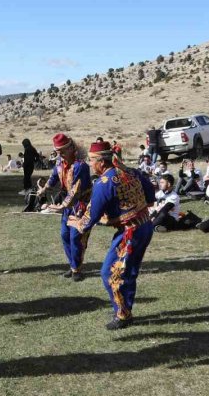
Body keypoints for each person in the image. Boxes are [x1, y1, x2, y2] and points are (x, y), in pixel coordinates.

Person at [76, 140, 154, 330]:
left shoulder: (104, 182)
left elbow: (90, 218)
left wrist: (77, 224)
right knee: (130, 270)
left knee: (110, 272)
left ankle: (123, 315)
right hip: (145, 226)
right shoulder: (130, 171)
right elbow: (151, 195)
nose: (90, 163)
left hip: (130, 232)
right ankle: (125, 308)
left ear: (102, 162)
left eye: (91, 159)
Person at [34, 133, 92, 281]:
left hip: (81, 205)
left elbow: (76, 190)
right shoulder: (60, 164)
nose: (60, 155)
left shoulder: (81, 166)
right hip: (67, 206)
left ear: (71, 148)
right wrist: (43, 190)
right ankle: (72, 266)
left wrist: (62, 206)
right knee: (65, 235)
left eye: (63, 151)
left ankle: (77, 269)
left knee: (75, 237)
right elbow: (53, 178)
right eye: (58, 152)